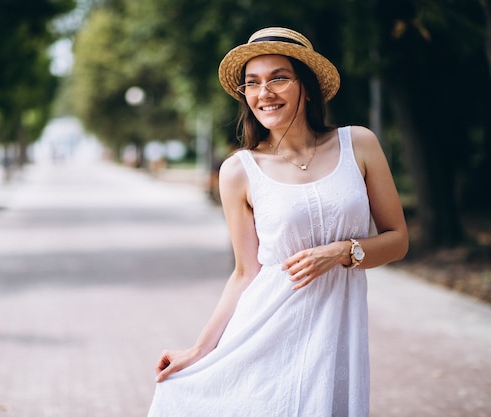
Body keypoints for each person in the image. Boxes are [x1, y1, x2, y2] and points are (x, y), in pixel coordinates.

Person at [147, 27, 408, 417]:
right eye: (252, 84)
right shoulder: (239, 170)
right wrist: (200, 349)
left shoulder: (360, 144)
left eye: (278, 78)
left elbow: (398, 240)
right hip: (263, 335)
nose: (263, 93)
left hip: (336, 336)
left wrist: (342, 252)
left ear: (307, 86)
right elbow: (244, 272)